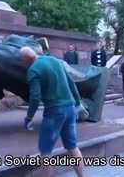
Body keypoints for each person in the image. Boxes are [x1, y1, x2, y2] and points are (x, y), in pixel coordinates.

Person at [20, 47, 85, 177]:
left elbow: (35, 97)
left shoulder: (33, 70)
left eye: (22, 60)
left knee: (45, 151)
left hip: (54, 111)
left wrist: (29, 116)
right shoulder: (55, 61)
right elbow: (71, 82)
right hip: (70, 108)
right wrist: (78, 103)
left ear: (26, 59)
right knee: (72, 146)